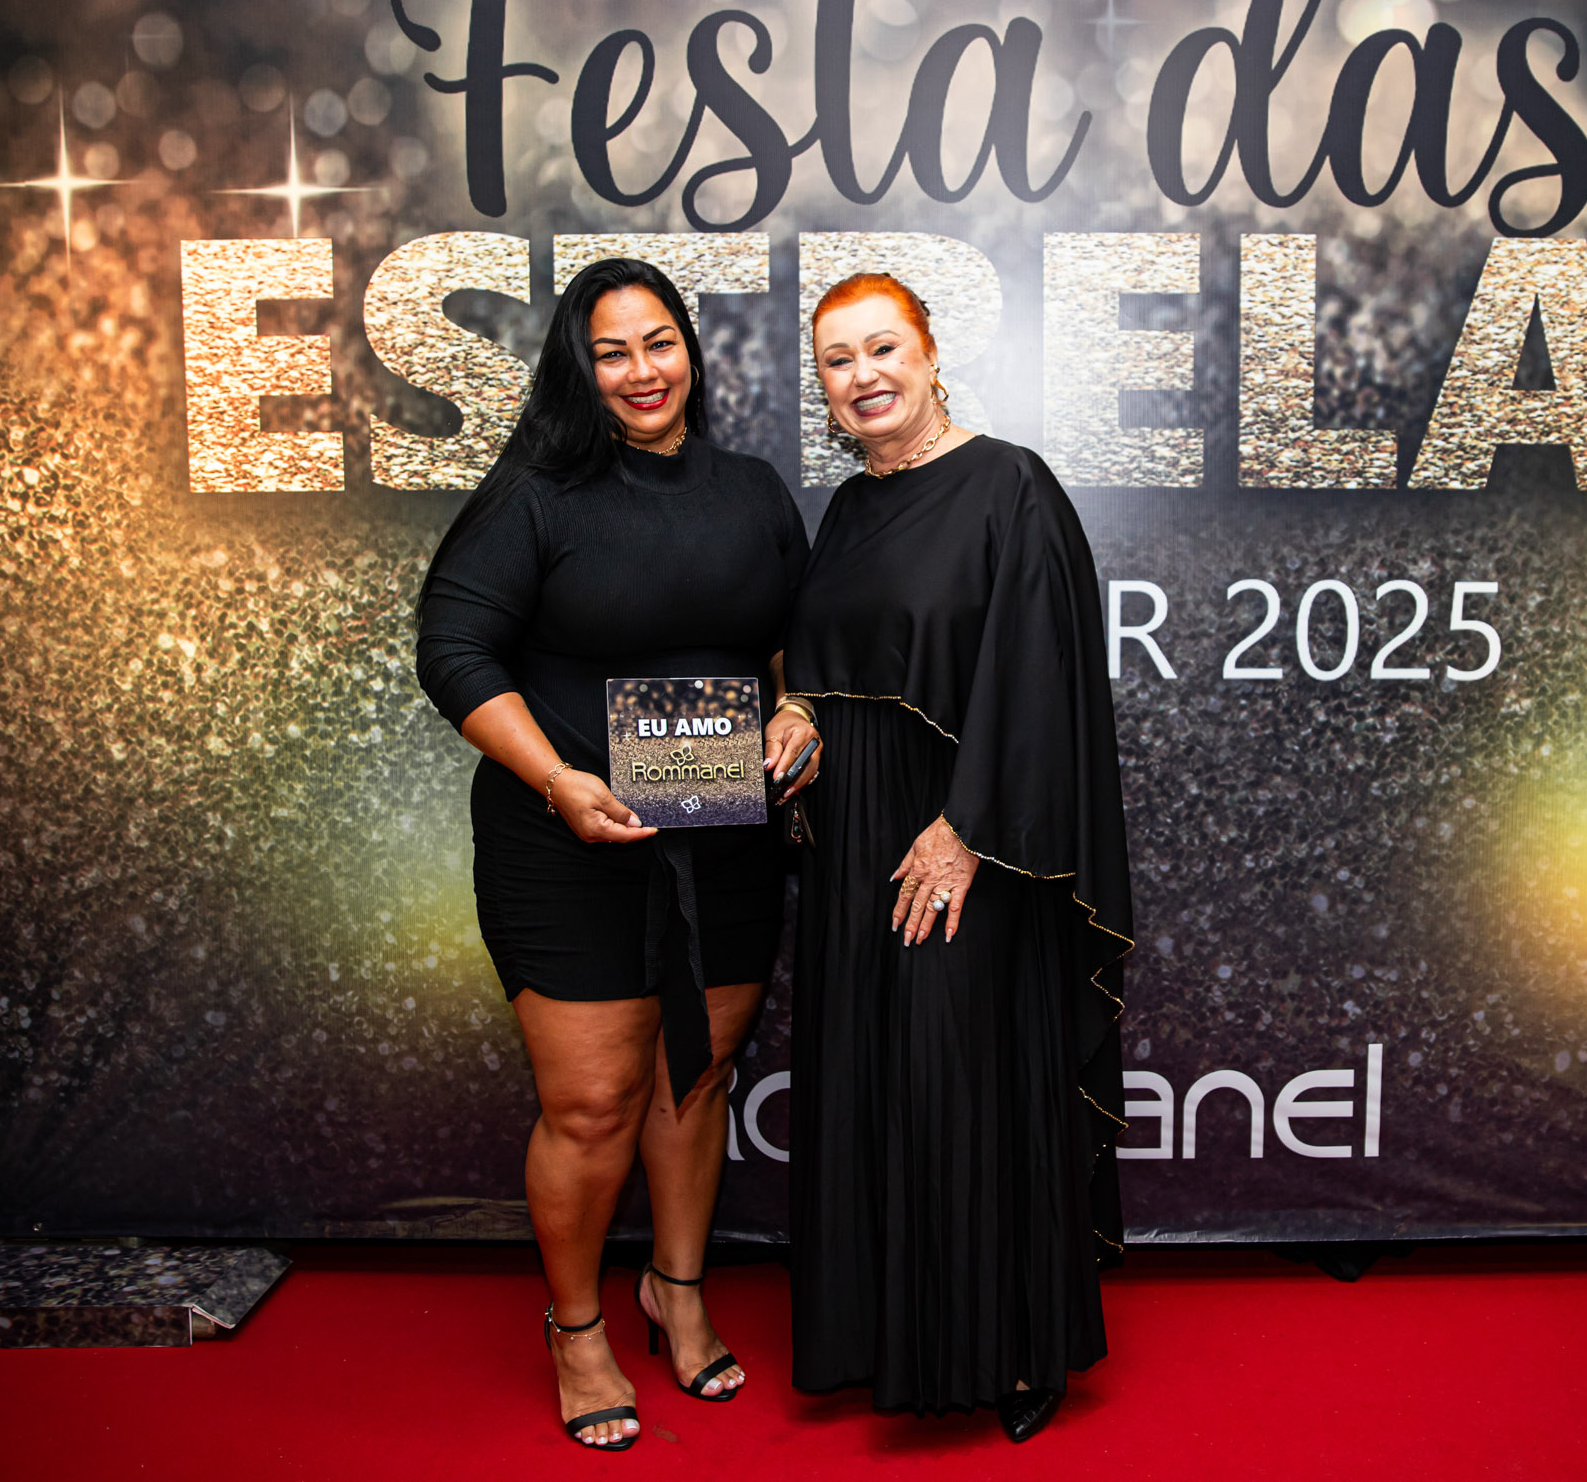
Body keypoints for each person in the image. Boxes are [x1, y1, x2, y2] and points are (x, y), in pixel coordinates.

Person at [415, 258, 820, 1450]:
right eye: (611, 352)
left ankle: (675, 1292)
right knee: (592, 1105)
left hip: (722, 831)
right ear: (577, 369)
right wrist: (556, 779)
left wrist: (797, 708)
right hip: (567, 840)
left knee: (695, 1076)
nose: (642, 372)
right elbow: (454, 653)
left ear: (689, 348)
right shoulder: (534, 496)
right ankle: (578, 1326)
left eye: (658, 343)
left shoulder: (752, 491)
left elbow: (795, 639)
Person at [782, 272, 1133, 1442]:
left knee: (960, 1081)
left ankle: (1013, 1346)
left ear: (930, 354)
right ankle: (884, 1337)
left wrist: (966, 827)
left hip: (967, 840)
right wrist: (799, 718)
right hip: (853, 846)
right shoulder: (843, 508)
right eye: (838, 360)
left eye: (883, 348)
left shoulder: (1010, 485)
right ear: (823, 387)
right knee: (871, 1083)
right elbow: (829, 665)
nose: (864, 375)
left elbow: (1041, 675)